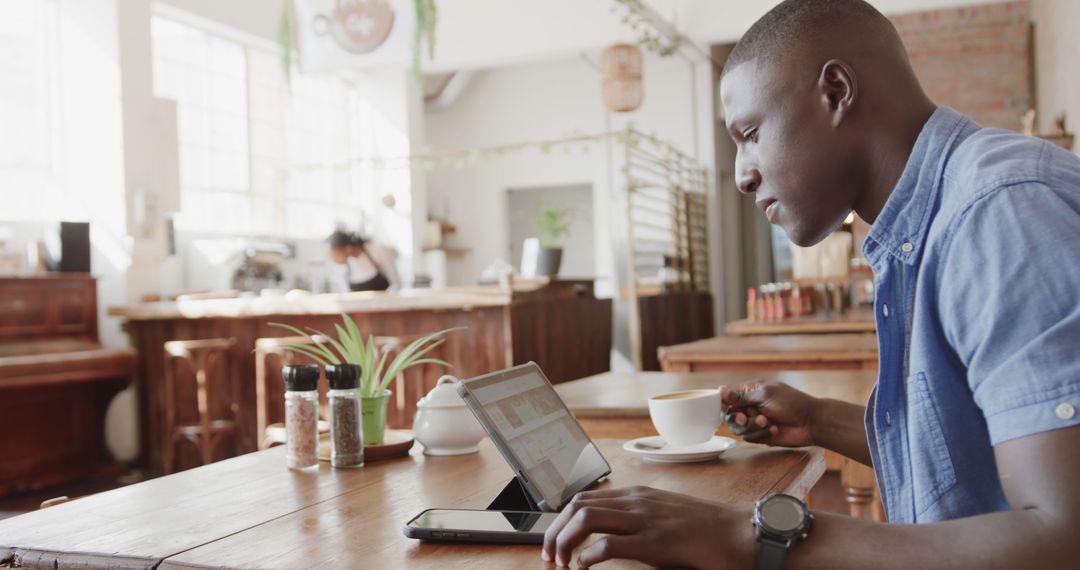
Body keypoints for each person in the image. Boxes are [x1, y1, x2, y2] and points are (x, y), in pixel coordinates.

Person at [541, 0, 1080, 568]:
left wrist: (747, 537)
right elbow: (975, 450)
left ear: (836, 91)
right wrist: (821, 420)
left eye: (749, 133)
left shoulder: (999, 212)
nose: (742, 176)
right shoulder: (931, 224)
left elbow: (1064, 539)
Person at [326, 230, 401, 292]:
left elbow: (395, 284)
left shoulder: (377, 251)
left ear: (348, 248)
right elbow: (345, 292)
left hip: (385, 306)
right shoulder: (342, 267)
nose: (334, 260)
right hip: (358, 308)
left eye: (336, 256)